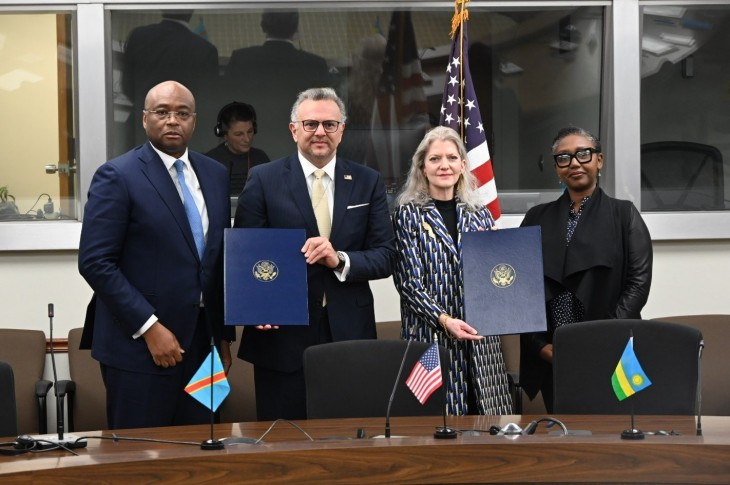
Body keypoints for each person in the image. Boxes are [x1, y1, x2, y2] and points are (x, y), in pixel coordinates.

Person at [78, 80, 235, 429]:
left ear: (194, 121)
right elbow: (95, 262)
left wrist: (223, 338)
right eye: (162, 112)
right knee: (140, 451)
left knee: (205, 441)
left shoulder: (215, 174)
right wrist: (149, 328)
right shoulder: (117, 175)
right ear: (145, 118)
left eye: (183, 113)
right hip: (139, 348)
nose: (173, 120)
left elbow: (216, 261)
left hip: (204, 348)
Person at [234, 87, 395, 420]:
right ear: (294, 130)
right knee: (283, 437)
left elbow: (385, 256)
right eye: (310, 124)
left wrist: (340, 260)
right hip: (281, 334)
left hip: (349, 334)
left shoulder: (367, 181)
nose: (320, 132)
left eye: (329, 124)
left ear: (342, 130)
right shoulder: (264, 179)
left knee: (348, 436)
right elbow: (245, 253)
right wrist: (256, 305)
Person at [519, 126, 653, 413]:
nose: (574, 163)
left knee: (613, 428)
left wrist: (606, 337)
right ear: (557, 168)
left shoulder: (623, 214)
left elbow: (638, 284)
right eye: (564, 158)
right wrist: (539, 345)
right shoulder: (536, 218)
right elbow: (521, 288)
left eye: (583, 154)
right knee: (565, 429)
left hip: (611, 348)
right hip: (554, 352)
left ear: (599, 160)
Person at [392, 126, 513, 416]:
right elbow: (409, 284)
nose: (444, 165)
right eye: (435, 159)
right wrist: (445, 320)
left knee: (488, 421)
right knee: (438, 423)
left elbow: (496, 275)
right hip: (431, 336)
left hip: (480, 339)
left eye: (451, 157)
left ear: (463, 165)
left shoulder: (480, 213)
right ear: (422, 167)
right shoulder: (407, 214)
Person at [224, 10, 333, 160]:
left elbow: (226, 105)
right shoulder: (314, 64)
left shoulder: (241, 59)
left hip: (249, 147)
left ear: (263, 26)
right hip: (297, 149)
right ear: (295, 29)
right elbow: (324, 112)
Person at [121, 11, 220, 149]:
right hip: (184, 136)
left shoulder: (139, 35)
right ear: (191, 11)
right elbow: (207, 101)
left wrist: (149, 109)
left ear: (162, 9)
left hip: (138, 129)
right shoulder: (204, 49)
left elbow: (127, 86)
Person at [205, 101, 271, 196]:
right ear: (224, 135)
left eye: (250, 131)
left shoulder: (261, 158)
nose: (247, 139)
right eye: (239, 134)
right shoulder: (210, 161)